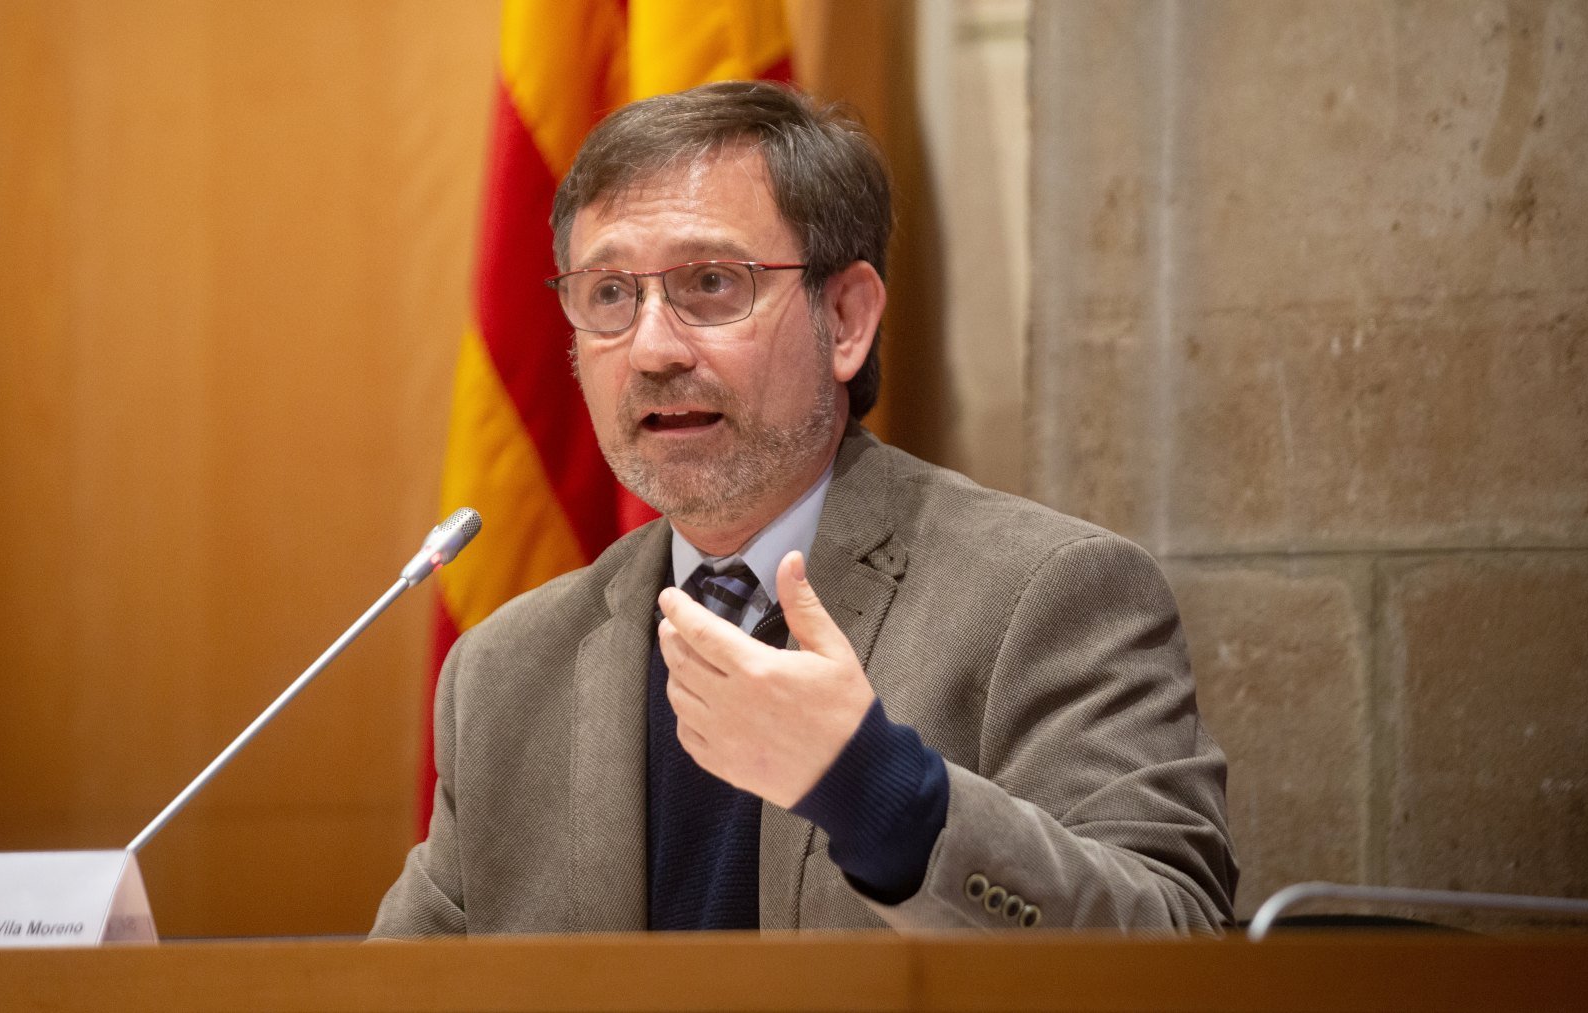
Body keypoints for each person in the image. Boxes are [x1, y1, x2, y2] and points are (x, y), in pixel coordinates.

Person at [372, 81, 1236, 936]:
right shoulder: (505, 672)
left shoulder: (1049, 596)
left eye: (711, 282)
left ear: (847, 319)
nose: (651, 348)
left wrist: (884, 795)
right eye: (608, 295)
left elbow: (1174, 945)